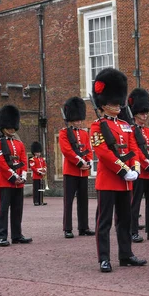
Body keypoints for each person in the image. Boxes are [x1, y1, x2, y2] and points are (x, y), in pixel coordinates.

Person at [90, 68, 147, 272]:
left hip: (126, 182)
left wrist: (136, 168)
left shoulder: (125, 125)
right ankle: (103, 258)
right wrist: (124, 170)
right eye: (113, 103)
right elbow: (103, 153)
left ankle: (126, 254)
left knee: (125, 220)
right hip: (108, 181)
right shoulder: (97, 126)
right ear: (103, 105)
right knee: (104, 222)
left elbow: (133, 148)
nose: (117, 106)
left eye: (117, 102)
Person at [126, 88, 149, 243]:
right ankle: (133, 230)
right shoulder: (131, 130)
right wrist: (147, 165)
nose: (144, 116)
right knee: (136, 202)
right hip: (140, 171)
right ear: (135, 114)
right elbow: (135, 151)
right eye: (142, 113)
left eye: (146, 113)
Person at [0, 105, 31, 247]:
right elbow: (1, 163)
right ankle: (2, 236)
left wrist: (23, 176)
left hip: (19, 181)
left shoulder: (19, 144)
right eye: (9, 127)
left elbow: (23, 160)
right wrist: (14, 176)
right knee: (3, 210)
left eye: (13, 127)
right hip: (6, 182)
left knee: (17, 209)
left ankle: (17, 235)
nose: (11, 129)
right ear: (3, 127)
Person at [59, 96, 94, 239]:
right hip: (71, 171)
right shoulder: (64, 133)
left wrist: (89, 162)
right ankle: (67, 228)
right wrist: (80, 162)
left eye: (80, 120)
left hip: (83, 172)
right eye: (77, 120)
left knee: (83, 200)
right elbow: (66, 151)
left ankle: (83, 227)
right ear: (71, 119)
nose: (79, 122)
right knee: (68, 201)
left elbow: (89, 150)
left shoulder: (85, 133)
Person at [29, 142, 47, 206]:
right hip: (36, 176)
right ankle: (36, 201)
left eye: (39, 152)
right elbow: (33, 168)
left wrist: (44, 170)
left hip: (41, 176)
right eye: (37, 152)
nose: (39, 153)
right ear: (34, 152)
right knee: (36, 189)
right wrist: (39, 172)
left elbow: (44, 165)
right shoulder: (32, 159)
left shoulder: (42, 159)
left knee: (41, 189)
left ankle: (41, 201)